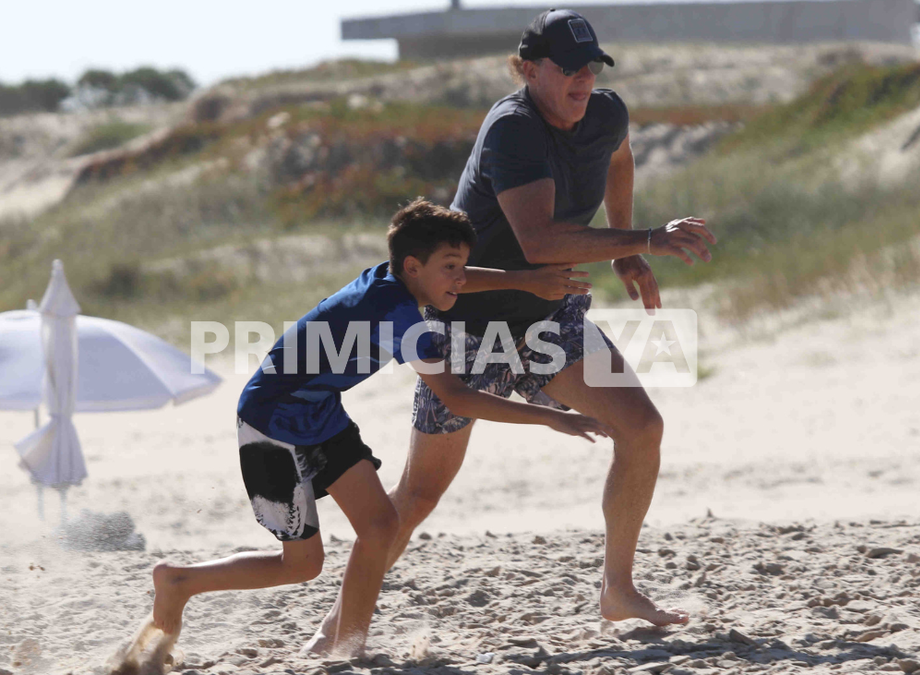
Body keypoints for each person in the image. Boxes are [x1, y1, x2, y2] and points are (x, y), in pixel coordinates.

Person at [309, 8, 718, 647]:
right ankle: (339, 628)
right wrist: (647, 237)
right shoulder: (514, 130)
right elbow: (540, 238)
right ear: (530, 68)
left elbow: (619, 159)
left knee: (642, 427)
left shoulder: (607, 112)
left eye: (590, 67)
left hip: (548, 315)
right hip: (465, 325)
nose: (582, 81)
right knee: (417, 497)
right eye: (566, 69)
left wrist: (626, 251)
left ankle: (618, 588)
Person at [145, 199, 610, 659]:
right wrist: (553, 417)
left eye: (463, 265)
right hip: (271, 420)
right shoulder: (397, 313)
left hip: (320, 412)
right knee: (303, 565)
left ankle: (347, 647)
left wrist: (526, 281)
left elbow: (453, 283)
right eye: (452, 266)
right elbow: (456, 396)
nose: (461, 277)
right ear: (413, 266)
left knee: (381, 525)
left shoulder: (397, 281)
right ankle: (180, 581)